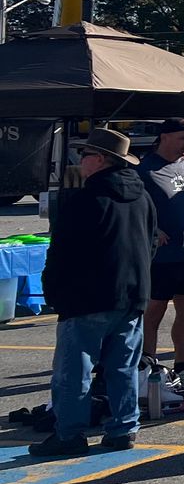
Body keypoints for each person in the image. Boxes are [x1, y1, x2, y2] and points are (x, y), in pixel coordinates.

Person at [31, 129, 154, 458]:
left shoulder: (86, 199)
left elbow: (62, 252)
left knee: (75, 370)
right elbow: (151, 241)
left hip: (87, 297)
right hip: (132, 293)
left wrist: (54, 291)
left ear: (100, 160)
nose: (80, 161)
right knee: (123, 366)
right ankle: (124, 428)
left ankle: (70, 433)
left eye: (85, 155)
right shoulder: (142, 196)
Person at [137, 119, 184, 380]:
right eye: (182, 138)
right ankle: (148, 363)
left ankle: (182, 365)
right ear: (164, 137)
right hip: (160, 256)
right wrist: (153, 229)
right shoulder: (145, 169)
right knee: (154, 310)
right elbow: (135, 206)